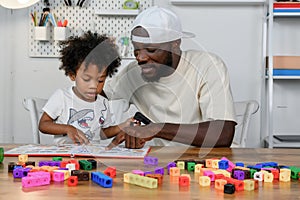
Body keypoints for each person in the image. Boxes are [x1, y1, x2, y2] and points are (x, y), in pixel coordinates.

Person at [104, 6, 237, 149]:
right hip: (163, 161)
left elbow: (223, 134)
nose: (140, 58)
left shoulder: (207, 66)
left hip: (211, 161)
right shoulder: (134, 72)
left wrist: (157, 129)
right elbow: (97, 93)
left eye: (151, 50)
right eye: (136, 49)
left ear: (175, 44)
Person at [39, 31, 129, 145]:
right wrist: (68, 129)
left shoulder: (103, 103)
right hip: (65, 156)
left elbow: (101, 133)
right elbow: (43, 125)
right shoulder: (62, 97)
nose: (93, 86)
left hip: (91, 156)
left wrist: (122, 126)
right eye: (87, 79)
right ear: (72, 75)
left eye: (100, 80)